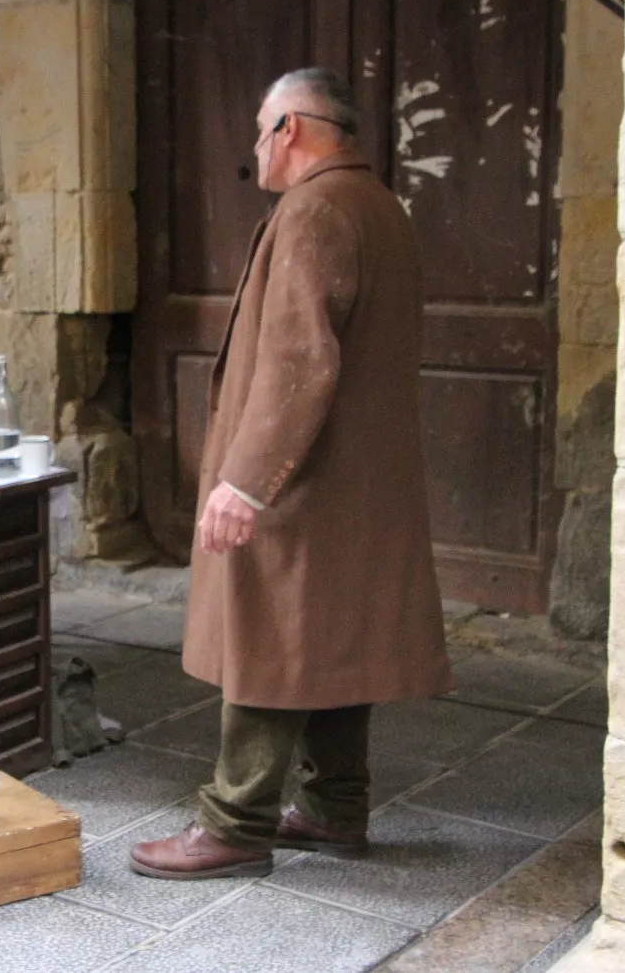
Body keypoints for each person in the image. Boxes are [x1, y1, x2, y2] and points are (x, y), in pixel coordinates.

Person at [129, 68, 453, 879]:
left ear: (292, 130)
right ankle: (336, 809)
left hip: (304, 480)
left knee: (269, 637)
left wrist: (245, 481)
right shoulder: (379, 206)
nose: (256, 147)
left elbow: (300, 359)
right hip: (350, 479)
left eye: (261, 130)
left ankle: (235, 823)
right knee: (331, 639)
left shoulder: (314, 209)